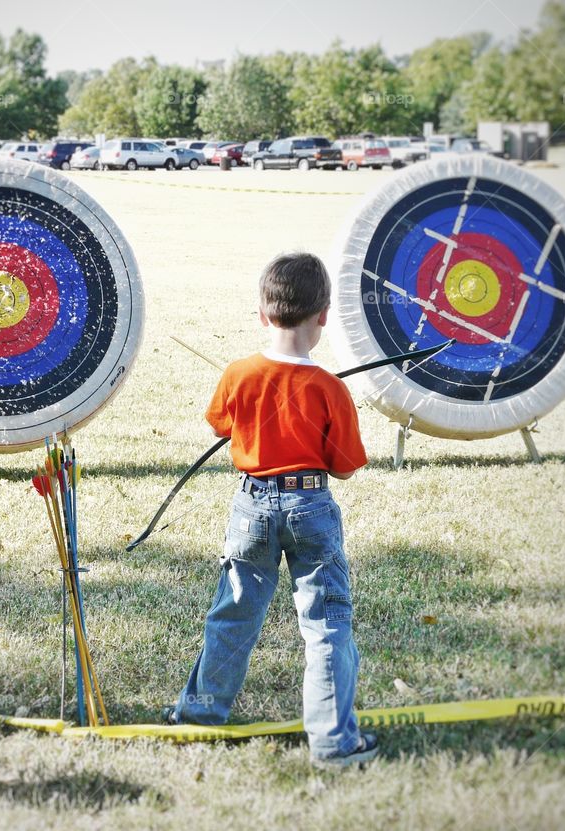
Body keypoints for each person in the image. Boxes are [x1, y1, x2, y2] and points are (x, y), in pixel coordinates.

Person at [165, 252, 377, 767]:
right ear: (323, 315)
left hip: (251, 505)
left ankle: (197, 718)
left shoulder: (239, 373)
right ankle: (333, 743)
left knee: (232, 614)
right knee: (326, 622)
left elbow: (220, 426)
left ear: (262, 313)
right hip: (311, 507)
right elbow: (345, 467)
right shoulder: (331, 389)